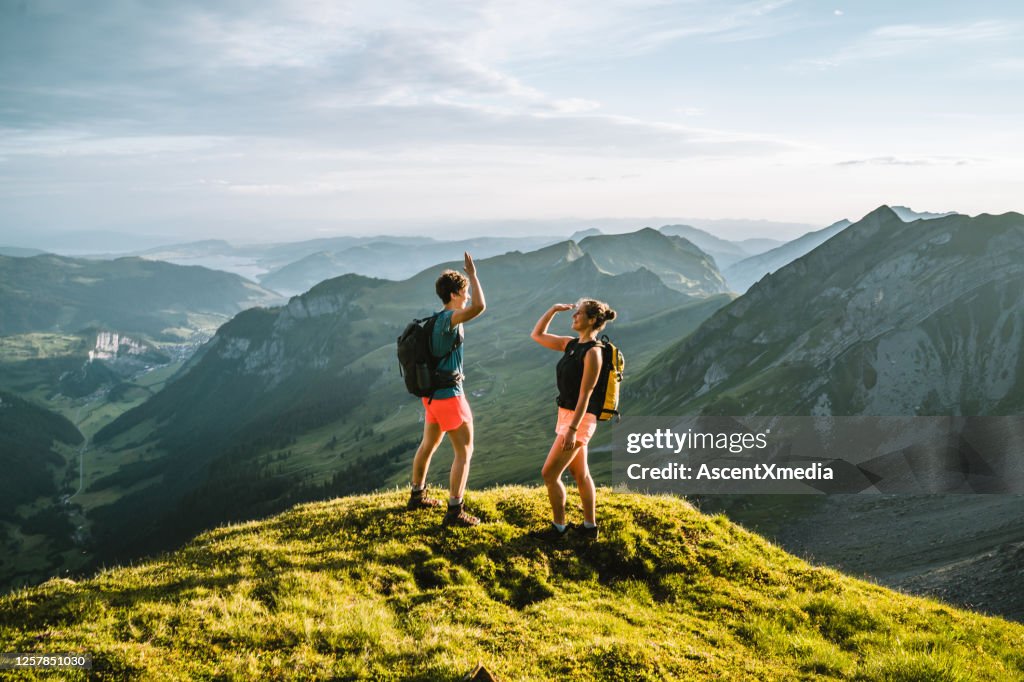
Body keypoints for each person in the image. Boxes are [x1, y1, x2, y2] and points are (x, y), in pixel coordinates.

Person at [407, 252, 486, 527]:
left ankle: (417, 495)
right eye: (463, 292)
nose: (466, 297)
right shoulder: (450, 319)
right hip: (450, 397)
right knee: (465, 451)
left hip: (431, 398)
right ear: (453, 294)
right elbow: (479, 307)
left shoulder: (434, 320)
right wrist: (473, 275)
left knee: (428, 444)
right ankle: (455, 510)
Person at [529, 298, 617, 541]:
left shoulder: (594, 353)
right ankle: (590, 528)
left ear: (591, 320)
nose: (573, 316)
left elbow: (586, 395)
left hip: (580, 420)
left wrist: (572, 429)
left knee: (549, 474)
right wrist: (552, 309)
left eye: (578, 314)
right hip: (567, 416)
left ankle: (558, 528)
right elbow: (537, 335)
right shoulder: (571, 345)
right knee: (581, 474)